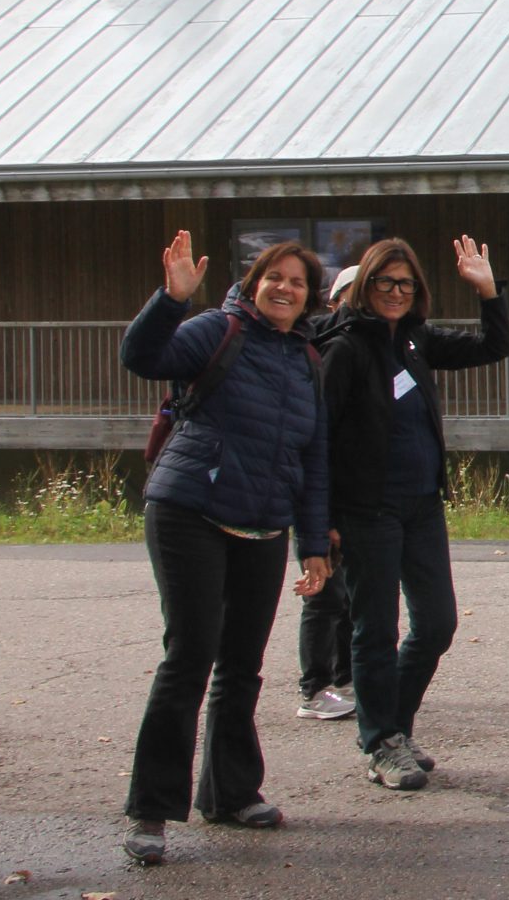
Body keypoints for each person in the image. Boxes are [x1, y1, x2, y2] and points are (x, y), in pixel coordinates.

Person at [115, 232, 333, 865]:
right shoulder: (217, 329)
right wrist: (171, 299)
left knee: (242, 664)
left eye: (297, 282)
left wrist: (314, 545)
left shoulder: (305, 360)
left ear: (308, 298)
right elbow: (142, 356)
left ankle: (231, 793)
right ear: (254, 282)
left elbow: (312, 459)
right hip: (191, 511)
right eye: (275, 277)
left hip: (265, 526)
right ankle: (151, 811)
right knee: (190, 657)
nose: (285, 288)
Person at [314, 236, 509, 791]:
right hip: (366, 509)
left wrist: (488, 289)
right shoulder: (346, 348)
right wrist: (321, 518)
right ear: (365, 287)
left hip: (421, 505)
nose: (396, 293)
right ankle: (380, 743)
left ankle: (392, 729)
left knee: (437, 623)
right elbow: (319, 437)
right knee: (374, 629)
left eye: (405, 284)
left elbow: (493, 347)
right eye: (385, 283)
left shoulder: (418, 341)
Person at [295, 266, 363, 723]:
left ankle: (344, 678)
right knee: (324, 593)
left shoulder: (372, 349)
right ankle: (313, 686)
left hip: (360, 494)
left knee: (350, 596)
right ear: (335, 301)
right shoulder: (320, 352)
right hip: (322, 490)